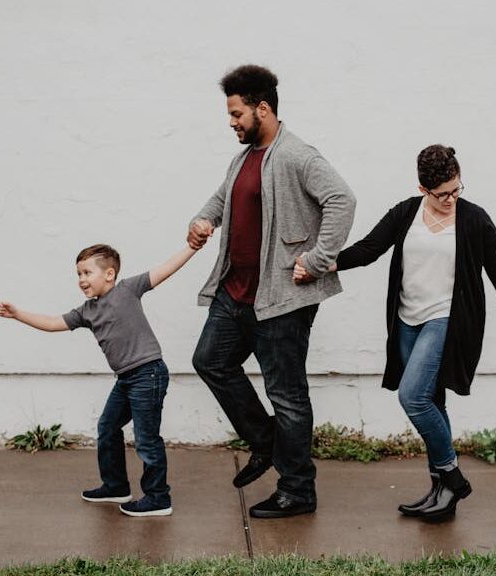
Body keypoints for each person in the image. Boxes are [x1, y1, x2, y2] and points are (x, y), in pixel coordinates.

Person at [296, 144, 496, 520]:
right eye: (443, 194)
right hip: (407, 321)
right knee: (432, 401)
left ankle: (452, 477)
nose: (452, 199)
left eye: (457, 190)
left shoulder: (474, 219)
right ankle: (441, 493)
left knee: (413, 397)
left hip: (447, 320)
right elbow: (370, 248)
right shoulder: (407, 213)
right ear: (424, 189)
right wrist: (322, 265)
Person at [188, 64, 356, 519]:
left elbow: (343, 199)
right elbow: (223, 198)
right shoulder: (243, 157)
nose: (232, 122)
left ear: (263, 108)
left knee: (287, 395)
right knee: (210, 361)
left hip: (280, 299)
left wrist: (318, 259)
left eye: (237, 113)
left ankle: (298, 489)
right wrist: (203, 220)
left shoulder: (297, 155)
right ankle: (266, 444)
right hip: (235, 293)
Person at [0, 243, 197, 517]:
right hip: (126, 379)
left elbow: (165, 269)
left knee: (147, 439)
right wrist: (17, 314)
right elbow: (53, 322)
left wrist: (192, 247)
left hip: (148, 374)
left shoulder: (128, 289)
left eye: (87, 273)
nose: (81, 280)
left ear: (109, 274)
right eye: (78, 274)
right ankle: (115, 486)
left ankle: (158, 497)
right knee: (108, 427)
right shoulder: (87, 311)